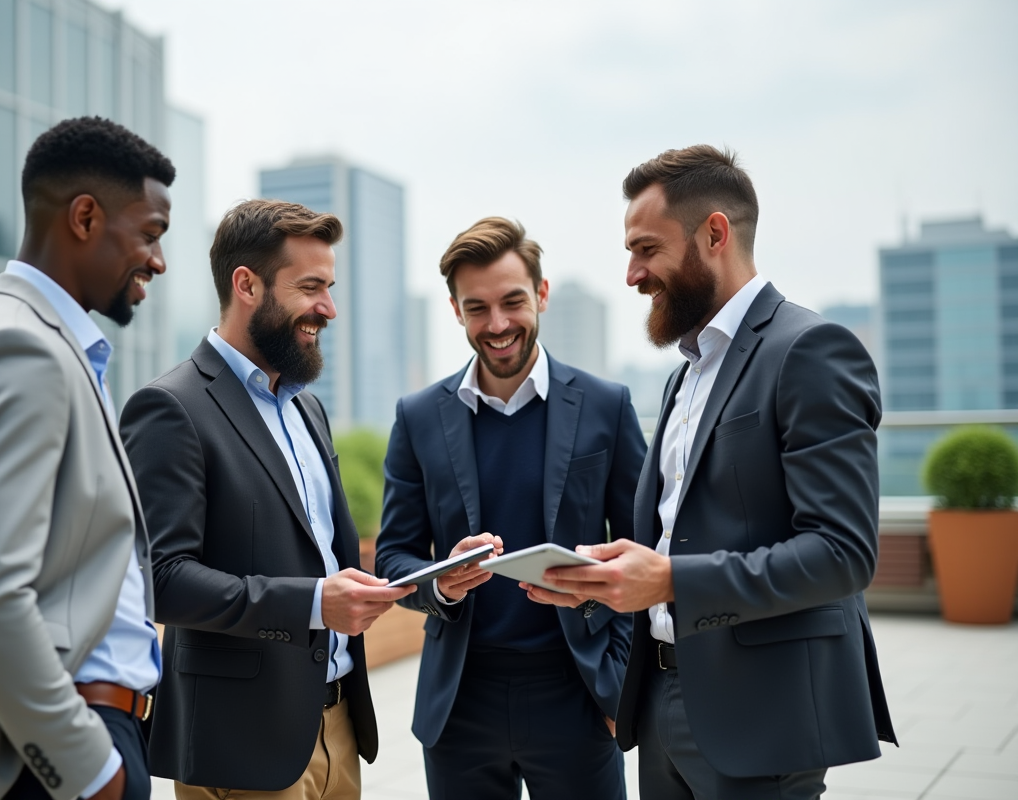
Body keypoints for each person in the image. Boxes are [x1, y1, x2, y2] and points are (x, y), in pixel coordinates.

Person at [525, 145, 897, 799]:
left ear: (715, 233)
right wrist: (608, 580)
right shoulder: (683, 376)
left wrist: (667, 579)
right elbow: (688, 532)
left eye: (645, 249)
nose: (633, 274)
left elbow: (842, 554)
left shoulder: (810, 350)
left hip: (763, 714)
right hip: (664, 703)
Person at [0, 117, 175, 800]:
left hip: (77, 739)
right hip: (51, 761)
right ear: (86, 217)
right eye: (149, 234)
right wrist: (91, 772)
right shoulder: (21, 350)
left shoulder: (43, 344)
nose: (158, 260)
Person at [119, 199, 413, 799]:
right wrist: (311, 604)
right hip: (242, 746)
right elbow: (162, 581)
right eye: (310, 288)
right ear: (246, 285)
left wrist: (436, 579)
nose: (327, 309)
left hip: (339, 727)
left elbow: (330, 562)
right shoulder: (170, 407)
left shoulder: (306, 407)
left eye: (329, 288)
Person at [373, 217, 646, 800]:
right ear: (455, 310)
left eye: (512, 302)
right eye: (477, 308)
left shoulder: (607, 406)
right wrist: (443, 583)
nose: (497, 326)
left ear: (541, 295)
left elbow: (642, 554)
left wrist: (618, 683)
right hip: (461, 700)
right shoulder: (418, 417)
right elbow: (393, 556)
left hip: (576, 689)